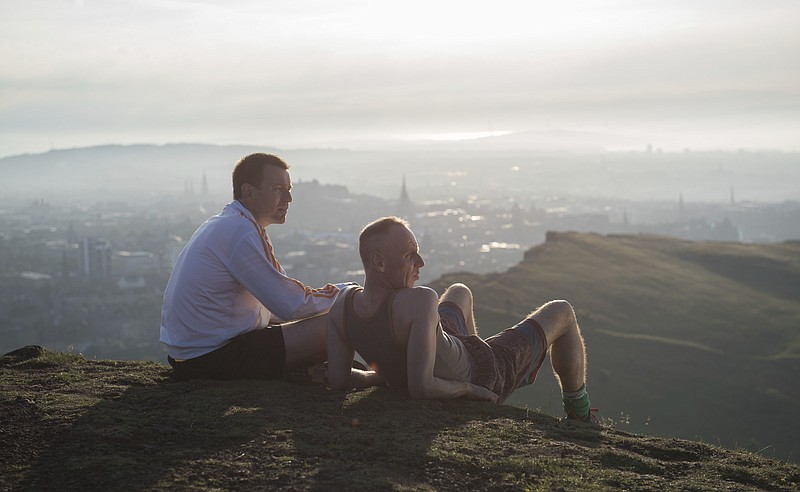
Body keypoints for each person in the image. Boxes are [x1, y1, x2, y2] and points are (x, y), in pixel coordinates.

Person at [327, 216, 596, 422]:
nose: (420, 262)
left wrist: (382, 377)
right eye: (410, 255)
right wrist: (470, 389)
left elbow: (339, 379)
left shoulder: (341, 305)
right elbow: (421, 388)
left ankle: (472, 345)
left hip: (448, 344)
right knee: (562, 311)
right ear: (379, 262)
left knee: (459, 291)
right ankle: (580, 414)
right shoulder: (420, 301)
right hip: (483, 372)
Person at [160, 152, 350, 381]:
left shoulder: (229, 223)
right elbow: (292, 305)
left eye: (289, 189)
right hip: (211, 359)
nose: (288, 198)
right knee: (343, 319)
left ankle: (323, 372)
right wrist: (347, 294)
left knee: (327, 322)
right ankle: (376, 377)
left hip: (192, 357)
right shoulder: (241, 231)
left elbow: (275, 307)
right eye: (278, 189)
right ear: (248, 191)